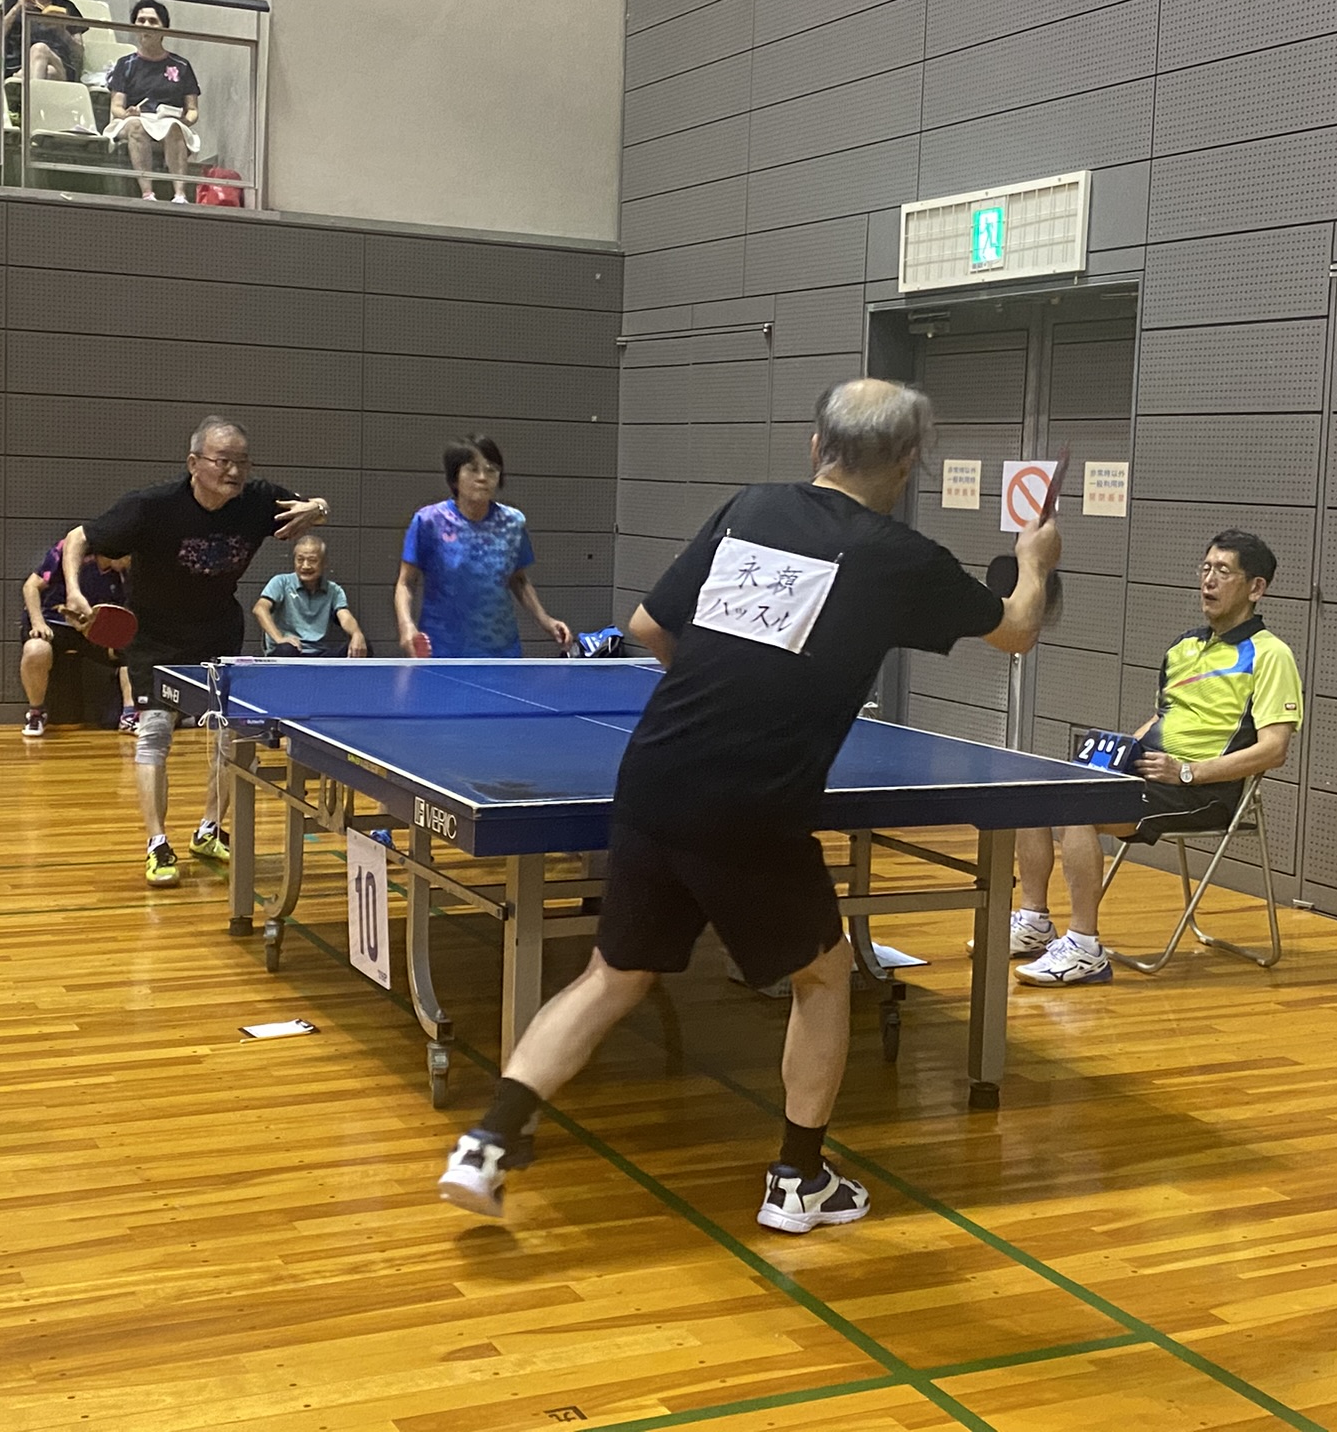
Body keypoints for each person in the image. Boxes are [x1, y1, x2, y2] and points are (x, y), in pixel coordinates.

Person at [438, 379, 1061, 1228]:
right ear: (909, 461)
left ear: (816, 446)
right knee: (824, 974)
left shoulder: (751, 507)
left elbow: (647, 628)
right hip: (751, 800)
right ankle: (799, 1181)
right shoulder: (901, 557)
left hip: (656, 771)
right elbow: (1017, 629)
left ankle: (486, 1142)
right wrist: (1035, 558)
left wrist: (724, 693)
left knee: (613, 974)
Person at [1010, 531, 1303, 987]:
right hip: (1152, 773)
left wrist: (1187, 772)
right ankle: (1034, 922)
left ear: (1256, 588)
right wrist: (1117, 754)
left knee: (1077, 809)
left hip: (1205, 791)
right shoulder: (1183, 647)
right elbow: (1163, 718)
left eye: (1223, 572)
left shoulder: (1271, 655)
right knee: (1035, 791)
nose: (1208, 580)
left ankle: (1085, 949)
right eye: (1206, 568)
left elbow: (1274, 750)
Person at [62, 416, 328, 887]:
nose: (234, 472)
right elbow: (80, 537)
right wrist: (73, 591)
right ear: (193, 463)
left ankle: (209, 829)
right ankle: (157, 843)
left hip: (217, 631)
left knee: (231, 737)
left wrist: (319, 508)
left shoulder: (257, 500)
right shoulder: (152, 506)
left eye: (242, 462)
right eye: (222, 461)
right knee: (155, 734)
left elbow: (312, 510)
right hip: (155, 636)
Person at [395, 435, 572, 658]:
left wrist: (545, 620)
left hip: (501, 651)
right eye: (473, 469)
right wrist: (406, 626)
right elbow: (406, 583)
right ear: (454, 478)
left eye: (491, 470)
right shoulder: (429, 521)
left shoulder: (512, 523)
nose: (482, 477)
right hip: (443, 651)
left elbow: (518, 580)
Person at [18, 535, 132, 737]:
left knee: (132, 651)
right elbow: (30, 586)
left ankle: (130, 716)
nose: (130, 561)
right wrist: (38, 623)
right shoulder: (68, 551)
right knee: (36, 650)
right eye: (128, 556)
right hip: (53, 624)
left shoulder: (124, 574)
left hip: (91, 631)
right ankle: (36, 713)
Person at [105, 0, 202, 202]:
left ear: (164, 28)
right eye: (141, 21)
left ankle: (180, 194)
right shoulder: (125, 64)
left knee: (173, 127)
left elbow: (192, 109)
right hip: (134, 119)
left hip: (168, 121)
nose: (146, 25)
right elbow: (116, 107)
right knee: (136, 125)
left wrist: (184, 121)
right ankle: (147, 193)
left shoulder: (181, 65)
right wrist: (128, 113)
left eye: (152, 21)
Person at [254, 535, 368, 657]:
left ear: (324, 563)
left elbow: (345, 616)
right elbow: (260, 609)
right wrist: (279, 638)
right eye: (300, 560)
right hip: (289, 650)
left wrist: (357, 634)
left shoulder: (334, 590)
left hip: (320, 655)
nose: (305, 566)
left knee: (361, 648)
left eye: (312, 560)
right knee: (286, 649)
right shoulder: (281, 582)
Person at [0, 0, 85, 84]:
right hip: (18, 64)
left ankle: (21, 82)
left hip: (59, 65)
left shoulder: (66, 7)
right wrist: (16, 9)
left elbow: (79, 52)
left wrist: (62, 31)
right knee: (48, 72)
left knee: (40, 49)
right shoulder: (14, 0)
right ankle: (29, 83)